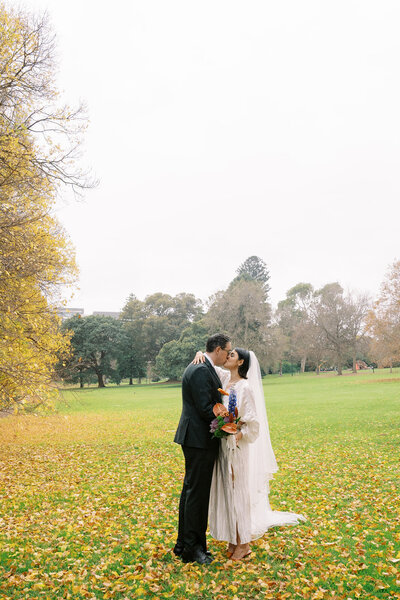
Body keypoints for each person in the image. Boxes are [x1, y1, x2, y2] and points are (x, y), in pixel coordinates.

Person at [194, 347, 306, 561]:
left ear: (241, 363)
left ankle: (244, 543)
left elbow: (254, 424)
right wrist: (200, 352)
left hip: (237, 448)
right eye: (227, 354)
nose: (227, 357)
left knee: (238, 494)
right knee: (227, 493)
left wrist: (239, 434)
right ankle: (232, 539)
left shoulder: (245, 387)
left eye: (232, 355)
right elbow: (210, 362)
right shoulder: (225, 379)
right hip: (222, 447)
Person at [173, 333, 232, 565]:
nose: (228, 355)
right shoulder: (199, 370)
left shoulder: (203, 366)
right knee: (196, 495)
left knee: (191, 491)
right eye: (227, 351)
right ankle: (192, 549)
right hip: (198, 439)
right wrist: (228, 422)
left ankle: (184, 544)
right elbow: (206, 408)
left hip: (197, 438)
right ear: (217, 349)